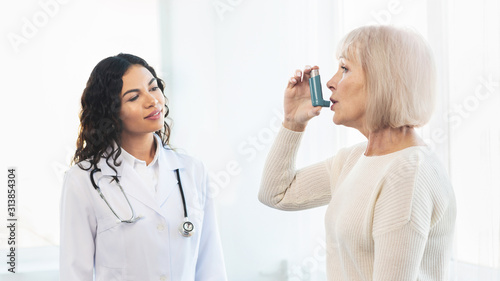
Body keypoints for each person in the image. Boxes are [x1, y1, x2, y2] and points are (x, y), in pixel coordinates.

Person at [259, 25, 456, 280]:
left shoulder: (408, 173)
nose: (329, 83)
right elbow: (276, 194)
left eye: (344, 69)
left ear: (383, 80)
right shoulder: (352, 160)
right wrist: (293, 122)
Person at [60, 53, 227, 281]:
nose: (152, 101)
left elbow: (211, 266)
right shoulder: (84, 180)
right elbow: (74, 273)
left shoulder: (192, 171)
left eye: (153, 88)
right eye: (133, 97)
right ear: (111, 111)